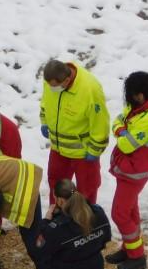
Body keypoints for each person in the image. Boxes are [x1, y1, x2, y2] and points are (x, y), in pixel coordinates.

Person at [105, 71, 148, 269]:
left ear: (140, 94)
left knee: (120, 213)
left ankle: (137, 255)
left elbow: (126, 145)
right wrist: (121, 129)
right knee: (130, 210)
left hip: (134, 173)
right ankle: (129, 247)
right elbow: (116, 120)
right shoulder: (137, 109)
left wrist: (121, 131)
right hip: (128, 170)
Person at [40, 59, 110, 205]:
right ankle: (57, 217)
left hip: (83, 152)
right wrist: (44, 122)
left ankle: (86, 219)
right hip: (58, 148)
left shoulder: (90, 89)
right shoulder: (51, 82)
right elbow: (45, 103)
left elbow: (100, 122)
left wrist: (95, 149)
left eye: (54, 86)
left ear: (66, 80)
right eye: (49, 85)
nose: (50, 88)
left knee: (87, 189)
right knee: (56, 184)